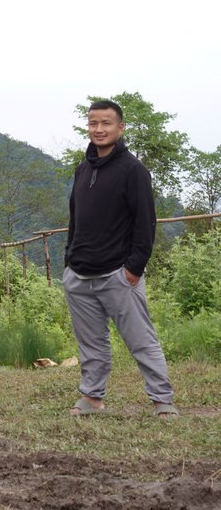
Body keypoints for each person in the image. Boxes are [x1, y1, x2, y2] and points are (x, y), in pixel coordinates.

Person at [64, 99, 178, 418]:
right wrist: (68, 263)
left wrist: (133, 269)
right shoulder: (83, 169)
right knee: (91, 346)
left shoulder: (133, 170)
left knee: (141, 341)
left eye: (106, 123)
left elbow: (146, 222)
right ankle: (92, 397)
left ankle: (162, 400)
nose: (98, 129)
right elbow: (75, 219)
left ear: (120, 127)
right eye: (93, 123)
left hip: (118, 274)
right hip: (79, 276)